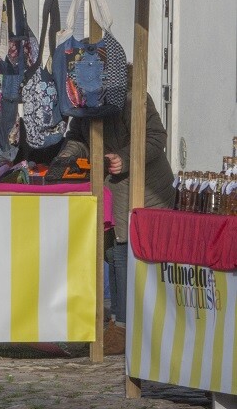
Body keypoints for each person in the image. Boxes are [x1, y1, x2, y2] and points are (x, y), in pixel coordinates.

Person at [51, 67, 175, 355]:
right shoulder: (84, 103)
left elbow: (156, 137)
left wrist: (125, 157)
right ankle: (120, 322)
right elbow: (78, 138)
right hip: (112, 186)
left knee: (124, 252)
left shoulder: (134, 97)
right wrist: (66, 157)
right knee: (111, 250)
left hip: (146, 187)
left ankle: (124, 326)